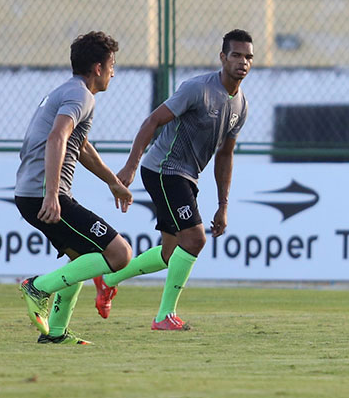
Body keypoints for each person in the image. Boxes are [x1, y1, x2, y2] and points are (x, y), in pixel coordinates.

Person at [90, 29, 253, 330]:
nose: (243, 62)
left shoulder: (241, 105)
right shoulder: (197, 89)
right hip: (164, 169)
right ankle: (164, 316)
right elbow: (153, 120)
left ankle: (108, 278)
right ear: (223, 58)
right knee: (195, 239)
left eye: (248, 57)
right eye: (236, 55)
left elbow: (225, 155)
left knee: (170, 253)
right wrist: (130, 166)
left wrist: (223, 205)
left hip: (188, 176)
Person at [16, 31, 133, 345]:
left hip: (31, 193)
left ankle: (55, 334)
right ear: (97, 67)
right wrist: (53, 194)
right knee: (120, 254)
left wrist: (113, 182)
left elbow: (80, 147)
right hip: (43, 194)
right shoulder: (82, 95)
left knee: (80, 259)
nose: (113, 72)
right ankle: (37, 287)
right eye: (112, 65)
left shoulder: (70, 92)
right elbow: (58, 137)